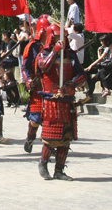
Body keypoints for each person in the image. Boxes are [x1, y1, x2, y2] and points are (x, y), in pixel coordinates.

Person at [36, 24, 86, 181]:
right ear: (52, 37)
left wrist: (71, 84)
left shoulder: (70, 56)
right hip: (52, 100)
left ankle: (59, 170)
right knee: (51, 137)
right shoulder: (43, 54)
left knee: (66, 137)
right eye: (58, 36)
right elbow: (44, 67)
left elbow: (81, 75)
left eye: (64, 37)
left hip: (67, 100)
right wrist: (55, 51)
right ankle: (43, 164)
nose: (62, 39)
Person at [21, 15, 52, 153]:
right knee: (35, 118)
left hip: (52, 87)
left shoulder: (55, 47)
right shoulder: (32, 46)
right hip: (38, 86)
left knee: (51, 119)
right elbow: (25, 67)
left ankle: (50, 145)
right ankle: (30, 137)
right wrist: (28, 80)